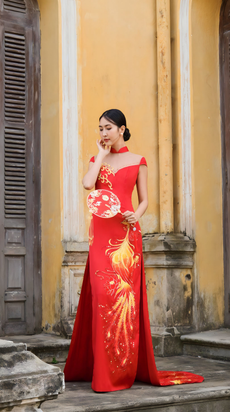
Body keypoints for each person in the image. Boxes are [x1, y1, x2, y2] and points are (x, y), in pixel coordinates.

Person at [64, 109, 204, 392]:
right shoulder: (97, 160)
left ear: (121, 129)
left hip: (127, 236)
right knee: (102, 297)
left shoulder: (138, 161)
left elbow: (144, 200)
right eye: (100, 128)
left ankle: (121, 369)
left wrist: (136, 215)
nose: (103, 133)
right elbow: (88, 185)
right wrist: (101, 156)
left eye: (108, 128)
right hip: (101, 234)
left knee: (124, 301)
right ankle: (102, 370)